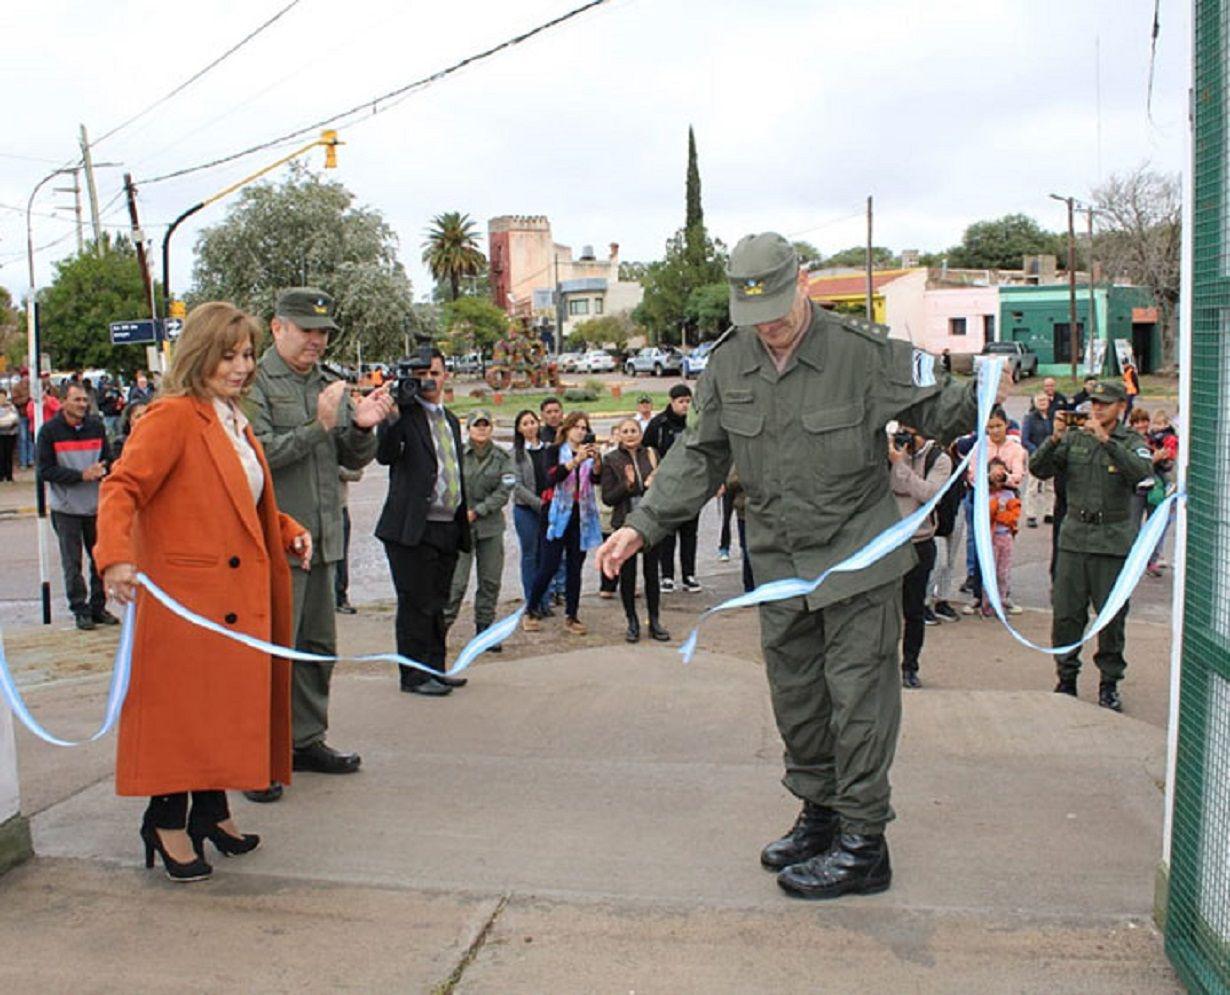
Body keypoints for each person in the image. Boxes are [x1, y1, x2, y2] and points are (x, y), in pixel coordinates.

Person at [597, 232, 983, 901]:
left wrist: (977, 379)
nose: (769, 327)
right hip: (778, 563)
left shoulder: (862, 353)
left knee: (858, 699)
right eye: (754, 316)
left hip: (856, 559)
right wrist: (642, 524)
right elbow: (699, 455)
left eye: (777, 308)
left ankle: (864, 842)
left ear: (802, 282)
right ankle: (821, 814)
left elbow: (941, 405)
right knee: (798, 700)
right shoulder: (729, 363)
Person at [94, 301, 312, 883]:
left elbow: (239, 498)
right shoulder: (171, 416)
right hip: (188, 601)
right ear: (199, 355)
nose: (241, 367)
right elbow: (122, 489)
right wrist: (115, 557)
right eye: (227, 356)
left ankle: (211, 813)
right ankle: (166, 821)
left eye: (245, 355)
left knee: (218, 710)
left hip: (230, 597)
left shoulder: (230, 419)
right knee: (182, 716)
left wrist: (286, 530)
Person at [246, 287, 391, 799]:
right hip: (275, 540)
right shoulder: (255, 382)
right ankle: (258, 755)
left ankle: (305, 740)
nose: (316, 340)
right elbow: (256, 455)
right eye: (307, 330)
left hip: (324, 535)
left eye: (323, 332)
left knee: (316, 649)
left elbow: (351, 457)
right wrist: (319, 425)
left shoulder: (331, 383)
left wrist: (360, 425)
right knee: (272, 651)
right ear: (277, 326)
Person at [1029, 381, 1152, 712]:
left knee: (1111, 617)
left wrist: (1107, 441)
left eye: (1105, 403)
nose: (1097, 409)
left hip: (1111, 540)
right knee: (1067, 614)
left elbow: (1142, 473)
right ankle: (1066, 677)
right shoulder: (1075, 436)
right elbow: (1037, 469)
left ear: (1120, 407)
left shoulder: (1131, 440)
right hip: (1074, 538)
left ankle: (1109, 683)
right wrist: (1054, 437)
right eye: (1094, 402)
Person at [375, 349, 471, 697]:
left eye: (435, 372)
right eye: (421, 373)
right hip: (411, 528)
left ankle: (435, 668)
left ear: (446, 375)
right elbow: (385, 455)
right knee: (416, 604)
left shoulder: (452, 420)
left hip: (448, 525)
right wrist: (393, 415)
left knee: (438, 603)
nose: (429, 379)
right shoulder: (406, 416)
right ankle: (413, 676)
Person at [36, 382, 117, 631]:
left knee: (99, 559)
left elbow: (109, 459)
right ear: (63, 402)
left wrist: (104, 469)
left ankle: (98, 606)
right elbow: (45, 470)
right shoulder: (49, 432)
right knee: (72, 562)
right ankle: (79, 609)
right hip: (67, 508)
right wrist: (80, 475)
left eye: (85, 400)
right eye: (77, 400)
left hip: (96, 505)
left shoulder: (95, 426)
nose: (83, 404)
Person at [522, 411, 603, 635]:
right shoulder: (554, 451)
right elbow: (550, 478)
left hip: (582, 514)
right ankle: (531, 609)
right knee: (548, 565)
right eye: (577, 427)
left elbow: (597, 480)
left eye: (584, 428)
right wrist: (574, 462)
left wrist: (596, 463)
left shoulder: (588, 453)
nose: (581, 431)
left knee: (575, 567)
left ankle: (572, 615)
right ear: (567, 429)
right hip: (557, 513)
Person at [443, 409, 513, 648]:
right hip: (460, 527)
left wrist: (479, 510)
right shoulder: (457, 454)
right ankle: (440, 629)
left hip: (490, 527)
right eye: (477, 425)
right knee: (456, 583)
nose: (481, 429)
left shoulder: (503, 457)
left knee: (490, 581)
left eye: (485, 425)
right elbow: (447, 484)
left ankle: (484, 630)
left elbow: (505, 490)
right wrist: (460, 511)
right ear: (468, 429)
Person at [889, 422, 950, 688]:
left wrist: (900, 465)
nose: (904, 437)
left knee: (913, 611)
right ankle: (882, 667)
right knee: (883, 611)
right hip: (887, 543)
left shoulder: (939, 459)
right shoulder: (888, 452)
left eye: (909, 432)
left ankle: (909, 667)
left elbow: (929, 494)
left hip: (919, 541)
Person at [600, 417, 669, 643]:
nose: (630, 434)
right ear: (618, 434)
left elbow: (660, 486)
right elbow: (608, 498)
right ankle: (632, 621)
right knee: (627, 576)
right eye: (625, 431)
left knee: (652, 574)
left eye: (634, 430)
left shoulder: (651, 454)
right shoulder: (611, 459)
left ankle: (654, 620)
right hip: (625, 524)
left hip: (651, 523)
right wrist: (627, 485)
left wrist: (652, 483)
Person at [962, 406, 1026, 615]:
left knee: (1003, 553)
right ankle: (979, 596)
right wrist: (986, 479)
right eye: (990, 427)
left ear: (1006, 425)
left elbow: (1018, 475)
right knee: (980, 547)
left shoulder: (1016, 449)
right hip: (982, 501)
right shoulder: (980, 447)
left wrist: (1004, 477)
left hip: (1006, 504)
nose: (995, 431)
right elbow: (971, 474)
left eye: (998, 426)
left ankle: (1002, 596)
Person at [643, 383, 700, 592]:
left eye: (688, 401)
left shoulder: (696, 422)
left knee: (689, 532)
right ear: (672, 401)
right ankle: (666, 575)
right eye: (681, 401)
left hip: (691, 485)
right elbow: (646, 448)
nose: (685, 405)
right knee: (667, 532)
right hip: (665, 486)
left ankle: (689, 574)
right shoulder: (659, 424)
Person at [511, 409, 552, 615]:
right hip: (526, 510)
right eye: (525, 423)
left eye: (532, 422)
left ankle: (545, 600)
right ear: (519, 428)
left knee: (546, 556)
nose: (530, 426)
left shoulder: (549, 449)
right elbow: (516, 486)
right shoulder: (515, 454)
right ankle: (532, 603)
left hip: (549, 509)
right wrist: (539, 503)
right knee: (530, 555)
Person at [927, 439, 966, 623]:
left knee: (950, 560)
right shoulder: (932, 455)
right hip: (936, 516)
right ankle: (925, 601)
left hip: (956, 509)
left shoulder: (959, 453)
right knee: (939, 562)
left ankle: (942, 599)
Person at [981, 457, 1022, 617]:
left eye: (1001, 473)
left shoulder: (1010, 494)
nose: (998, 477)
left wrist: (999, 513)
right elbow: (987, 514)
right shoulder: (984, 494)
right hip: (990, 538)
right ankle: (987, 605)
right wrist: (997, 510)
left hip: (1005, 537)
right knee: (990, 572)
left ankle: (1001, 602)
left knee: (1003, 573)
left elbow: (1013, 516)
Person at [537, 395, 567, 603]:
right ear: (542, 415)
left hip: (567, 497)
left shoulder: (569, 434)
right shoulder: (539, 437)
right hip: (545, 498)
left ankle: (563, 588)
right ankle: (548, 589)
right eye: (549, 412)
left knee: (565, 547)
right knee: (547, 547)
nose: (554, 415)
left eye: (557, 410)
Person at [1020, 392, 1055, 528]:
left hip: (1051, 456)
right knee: (1033, 486)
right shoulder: (1029, 418)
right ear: (1034, 402)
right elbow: (1025, 439)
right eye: (1039, 400)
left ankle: (1049, 512)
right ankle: (1031, 515)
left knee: (1050, 486)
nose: (1042, 402)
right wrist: (1036, 451)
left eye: (1044, 400)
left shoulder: (1053, 417)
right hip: (1035, 456)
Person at [335, 463, 362, 615]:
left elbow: (357, 472)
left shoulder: (340, 445)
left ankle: (340, 597)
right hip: (313, 508)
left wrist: (333, 468)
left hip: (339, 507)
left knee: (340, 555)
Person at [110, 399, 150, 463]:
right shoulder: (120, 443)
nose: (143, 419)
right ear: (129, 420)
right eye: (138, 416)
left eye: (147, 415)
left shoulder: (156, 441)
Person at [12, 370, 31, 469]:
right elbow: (15, 401)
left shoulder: (32, 386)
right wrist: (26, 398)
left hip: (31, 416)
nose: (27, 378)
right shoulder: (16, 387)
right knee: (23, 439)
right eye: (25, 375)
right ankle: (23, 461)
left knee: (31, 438)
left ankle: (30, 459)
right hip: (22, 415)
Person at [0, 389, 18, 481]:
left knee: (8, 455)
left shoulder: (11, 407)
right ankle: (1, 475)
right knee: (1, 455)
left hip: (10, 434)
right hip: (1, 435)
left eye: (3, 396)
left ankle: (9, 475)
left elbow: (15, 418)